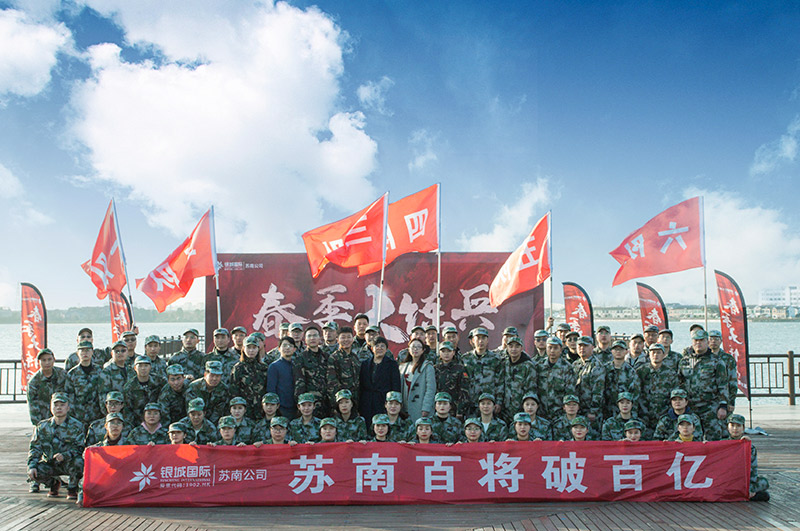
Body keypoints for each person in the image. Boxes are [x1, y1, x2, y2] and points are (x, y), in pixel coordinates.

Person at [27, 393, 85, 500]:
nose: (59, 408)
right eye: (56, 405)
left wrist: (65, 455)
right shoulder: (42, 427)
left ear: (68, 408)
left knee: (79, 463)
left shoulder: (77, 426)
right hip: (50, 463)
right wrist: (31, 466)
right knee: (34, 471)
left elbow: (80, 448)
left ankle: (72, 488)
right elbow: (35, 448)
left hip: (69, 462)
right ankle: (53, 483)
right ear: (50, 407)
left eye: (62, 405)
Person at [678, 329, 729, 441]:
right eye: (695, 340)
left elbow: (723, 385)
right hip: (690, 407)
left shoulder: (716, 361)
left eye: (701, 340)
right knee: (692, 439)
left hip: (710, 407)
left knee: (713, 439)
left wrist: (723, 406)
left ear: (707, 342)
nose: (698, 343)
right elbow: (679, 383)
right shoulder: (684, 361)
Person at [636, 341, 679, 437]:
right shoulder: (641, 371)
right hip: (644, 416)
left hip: (664, 416)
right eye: (653, 352)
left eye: (658, 352)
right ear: (649, 355)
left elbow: (674, 395)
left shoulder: (670, 373)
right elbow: (635, 393)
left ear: (664, 355)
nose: (655, 355)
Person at [461, 327, 503, 417]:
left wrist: (499, 402)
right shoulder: (465, 359)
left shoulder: (495, 359)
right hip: (471, 404)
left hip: (489, 404)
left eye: (483, 338)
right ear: (473, 340)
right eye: (478, 338)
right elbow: (462, 383)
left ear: (487, 340)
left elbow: (500, 382)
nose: (480, 341)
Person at [726, 414, 770, 501]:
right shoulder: (721, 444)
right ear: (727, 427)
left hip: (742, 480)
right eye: (732, 425)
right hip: (726, 480)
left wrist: (750, 487)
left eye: (738, 426)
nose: (735, 429)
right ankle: (746, 495)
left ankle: (745, 493)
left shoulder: (749, 447)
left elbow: (753, 469)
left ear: (743, 428)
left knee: (764, 482)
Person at [358, 336, 401, 425]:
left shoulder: (392, 364)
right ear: (372, 349)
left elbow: (396, 385)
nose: (380, 348)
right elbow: (361, 385)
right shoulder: (365, 364)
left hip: (383, 401)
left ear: (386, 349)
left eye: (382, 346)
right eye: (377, 346)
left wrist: (393, 403)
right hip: (367, 401)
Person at [293, 325, 331, 418]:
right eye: (309, 336)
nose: (312, 338)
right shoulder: (300, 358)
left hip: (326, 403)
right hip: (309, 405)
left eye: (315, 335)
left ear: (320, 338)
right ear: (305, 339)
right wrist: (302, 404)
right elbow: (299, 383)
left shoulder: (327, 357)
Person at [536, 337, 577, 420]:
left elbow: (570, 392)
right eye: (550, 347)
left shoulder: (567, 368)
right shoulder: (539, 366)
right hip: (541, 413)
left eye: (555, 348)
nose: (552, 351)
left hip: (560, 414)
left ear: (560, 350)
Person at [573, 335, 606, 437]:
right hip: (576, 410)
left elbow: (598, 392)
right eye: (580, 346)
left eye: (585, 346)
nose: (582, 348)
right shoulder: (575, 364)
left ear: (592, 347)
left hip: (590, 412)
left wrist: (593, 411)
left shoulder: (597, 366)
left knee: (592, 437)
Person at [500, 336, 537, 425]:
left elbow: (531, 389)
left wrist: (526, 407)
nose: (514, 349)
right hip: (504, 410)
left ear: (521, 348)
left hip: (521, 409)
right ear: (507, 348)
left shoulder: (528, 366)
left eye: (517, 346)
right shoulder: (504, 363)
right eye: (511, 346)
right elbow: (500, 384)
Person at [64, 341, 102, 429]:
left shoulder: (100, 371)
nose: (85, 353)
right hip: (78, 416)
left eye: (88, 350)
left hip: (96, 415)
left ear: (92, 352)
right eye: (82, 350)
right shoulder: (72, 374)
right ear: (78, 353)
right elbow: (69, 396)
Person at [230, 335, 269, 420]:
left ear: (258, 349)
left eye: (254, 348)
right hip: (244, 411)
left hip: (261, 410)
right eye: (248, 347)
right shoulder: (238, 368)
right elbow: (234, 392)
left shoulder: (264, 367)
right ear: (243, 348)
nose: (251, 350)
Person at [398, 338, 436, 422]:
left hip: (420, 408)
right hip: (404, 408)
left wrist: (426, 408)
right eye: (413, 347)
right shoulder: (402, 367)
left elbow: (430, 389)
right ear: (408, 349)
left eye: (418, 347)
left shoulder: (427, 366)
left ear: (423, 350)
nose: (415, 349)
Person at [28, 348, 68, 427]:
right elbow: (32, 406)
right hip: (44, 420)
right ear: (39, 362)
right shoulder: (34, 382)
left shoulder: (62, 374)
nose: (47, 363)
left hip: (62, 418)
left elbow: (70, 395)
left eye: (49, 359)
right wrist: (39, 425)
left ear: (54, 360)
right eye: (44, 360)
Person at [603, 340, 641, 420]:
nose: (618, 351)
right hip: (606, 410)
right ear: (611, 351)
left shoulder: (631, 372)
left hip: (625, 412)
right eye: (616, 349)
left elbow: (635, 395)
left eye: (621, 349)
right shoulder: (604, 369)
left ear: (626, 351)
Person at [326, 326, 362, 410]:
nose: (346, 340)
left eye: (349, 337)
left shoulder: (355, 357)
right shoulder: (334, 358)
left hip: (355, 400)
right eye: (343, 337)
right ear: (337, 340)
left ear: (352, 339)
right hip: (342, 402)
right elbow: (332, 383)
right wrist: (336, 404)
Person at [184, 361, 231, 425]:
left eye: (217, 376)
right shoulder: (194, 387)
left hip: (214, 423)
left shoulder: (223, 389)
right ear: (205, 374)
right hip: (194, 420)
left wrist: (209, 425)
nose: (214, 379)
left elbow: (218, 412)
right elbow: (190, 410)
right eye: (212, 375)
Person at [123, 356, 165, 425]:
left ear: (150, 367)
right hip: (138, 422)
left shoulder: (159, 381)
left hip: (158, 420)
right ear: (135, 368)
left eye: (146, 365)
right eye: (140, 366)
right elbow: (128, 409)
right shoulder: (129, 387)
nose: (143, 368)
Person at [434, 341, 470, 418]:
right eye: (443, 351)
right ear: (439, 353)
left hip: (454, 409)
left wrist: (460, 410)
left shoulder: (460, 369)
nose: (446, 354)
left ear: (453, 352)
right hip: (438, 408)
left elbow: (464, 391)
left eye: (449, 351)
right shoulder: (435, 369)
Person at [709, 329, 738, 414]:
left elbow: (732, 381)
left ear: (721, 341)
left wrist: (731, 401)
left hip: (724, 398)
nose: (713, 341)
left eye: (716, 339)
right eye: (711, 339)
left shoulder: (728, 359)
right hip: (708, 399)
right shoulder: (704, 358)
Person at [267, 336, 296, 419]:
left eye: (290, 346)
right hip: (281, 408)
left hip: (297, 407)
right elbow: (271, 389)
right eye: (284, 345)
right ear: (279, 349)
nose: (287, 348)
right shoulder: (274, 366)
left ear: (294, 349)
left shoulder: (297, 365)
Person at [96, 340, 131, 412]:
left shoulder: (131, 371)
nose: (120, 353)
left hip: (130, 413)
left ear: (127, 352)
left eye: (123, 351)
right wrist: (109, 415)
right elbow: (103, 397)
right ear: (112, 353)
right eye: (116, 351)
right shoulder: (106, 372)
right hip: (114, 413)